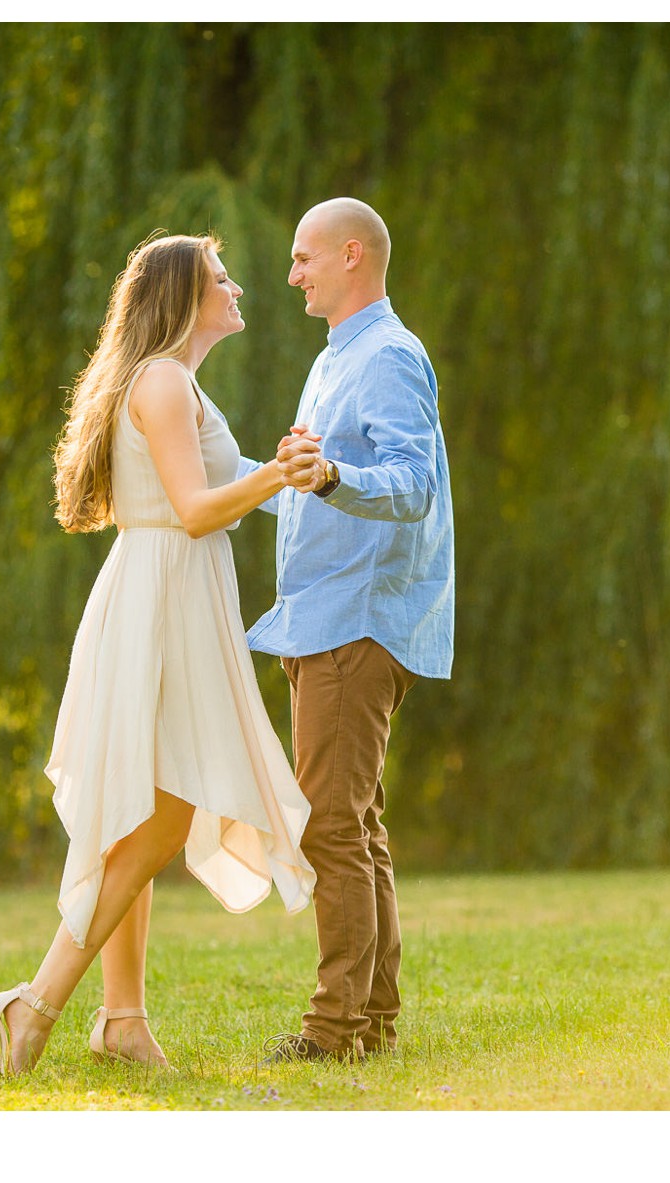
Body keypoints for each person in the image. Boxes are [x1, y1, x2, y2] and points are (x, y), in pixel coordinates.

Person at [0, 233, 314, 1075]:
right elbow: (194, 510)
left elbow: (211, 490)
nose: (237, 289)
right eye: (221, 280)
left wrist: (298, 473)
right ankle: (37, 1003)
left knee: (145, 816)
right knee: (159, 819)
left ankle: (122, 1020)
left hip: (172, 596)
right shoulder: (160, 380)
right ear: (185, 297)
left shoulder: (173, 380)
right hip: (162, 601)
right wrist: (279, 479)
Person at [250, 198, 455, 1062]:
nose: (292, 274)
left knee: (330, 822)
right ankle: (369, 1018)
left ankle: (335, 1029)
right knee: (354, 822)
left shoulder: (389, 357)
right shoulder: (338, 359)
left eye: (304, 259)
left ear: (350, 255)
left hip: (358, 621)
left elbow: (411, 484)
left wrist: (331, 473)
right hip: (323, 617)